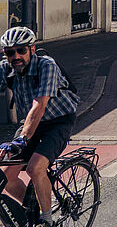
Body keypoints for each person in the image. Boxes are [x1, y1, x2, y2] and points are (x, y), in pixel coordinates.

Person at [0, 27, 78, 227]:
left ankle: (46, 219)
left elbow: (39, 105)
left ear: (32, 49)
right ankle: (31, 209)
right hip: (30, 122)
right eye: (10, 52)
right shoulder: (5, 68)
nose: (16, 56)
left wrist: (22, 139)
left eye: (21, 50)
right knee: (6, 174)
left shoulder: (46, 66)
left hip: (58, 121)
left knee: (35, 167)